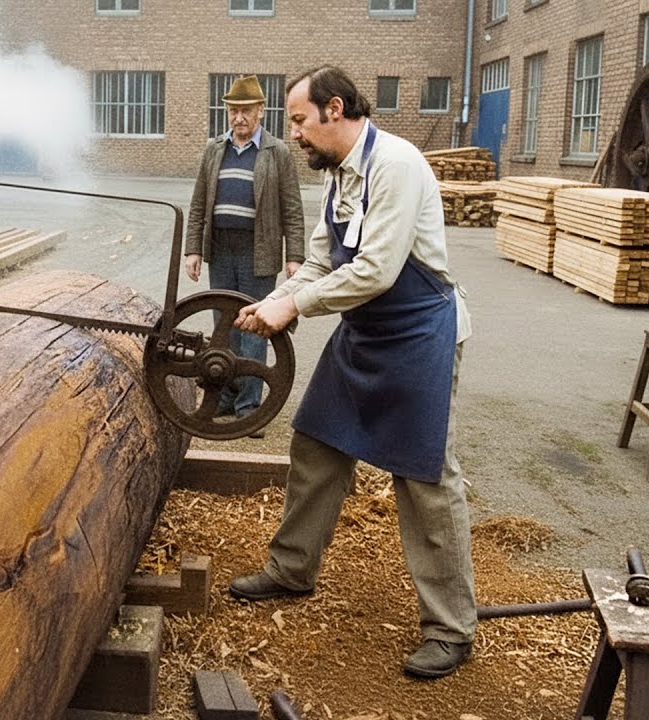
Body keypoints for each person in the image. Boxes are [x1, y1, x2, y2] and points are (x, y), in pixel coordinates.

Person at [227, 66, 476, 679]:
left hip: (419, 331)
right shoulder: (338, 174)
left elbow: (377, 271)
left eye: (300, 121)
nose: (297, 135)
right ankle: (292, 568)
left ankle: (450, 629)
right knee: (316, 442)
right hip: (366, 332)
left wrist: (296, 305)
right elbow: (320, 261)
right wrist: (279, 301)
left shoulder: (397, 164)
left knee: (425, 477)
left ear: (334, 109)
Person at [184, 75, 305, 437]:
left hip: (258, 249)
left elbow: (293, 210)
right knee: (225, 325)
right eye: (234, 111)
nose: (239, 118)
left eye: (246, 111)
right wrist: (193, 249)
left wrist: (294, 256)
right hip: (220, 248)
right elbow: (197, 205)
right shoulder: (213, 149)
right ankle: (226, 395)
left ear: (261, 112)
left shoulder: (276, 152)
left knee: (255, 326)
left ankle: (249, 408)